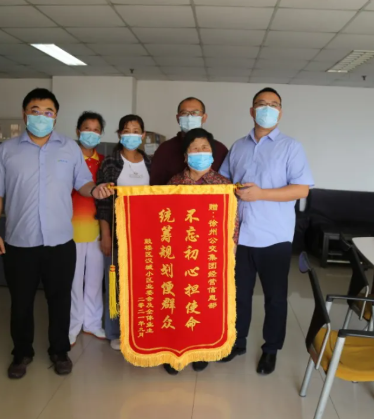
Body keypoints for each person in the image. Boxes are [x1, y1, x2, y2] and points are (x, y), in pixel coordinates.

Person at [0, 88, 113, 379]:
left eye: (48, 112)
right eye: (35, 111)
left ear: (56, 116)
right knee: (21, 302)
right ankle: (22, 353)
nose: (42, 116)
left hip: (60, 242)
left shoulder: (69, 149)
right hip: (19, 243)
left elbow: (82, 184)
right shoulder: (7, 150)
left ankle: (59, 351)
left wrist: (95, 190)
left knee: (60, 300)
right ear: (25, 114)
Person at [218, 87, 314, 376]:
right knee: (239, 295)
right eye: (261, 104)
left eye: (273, 105)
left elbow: (301, 189)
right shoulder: (238, 147)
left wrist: (261, 194)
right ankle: (238, 342)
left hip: (275, 237)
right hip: (240, 237)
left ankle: (271, 349)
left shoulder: (291, 147)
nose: (267, 109)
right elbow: (222, 182)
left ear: (280, 112)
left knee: (275, 298)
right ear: (252, 111)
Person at [163, 128, 240, 376]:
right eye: (194, 148)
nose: (200, 152)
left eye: (204, 148)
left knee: (204, 305)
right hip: (179, 257)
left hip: (211, 257)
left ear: (213, 154)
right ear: (186, 156)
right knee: (177, 303)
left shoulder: (223, 185)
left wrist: (231, 251)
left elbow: (232, 222)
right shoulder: (174, 183)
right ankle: (175, 351)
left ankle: (200, 350)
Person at [96, 114, 151, 352]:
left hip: (143, 235)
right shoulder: (110, 162)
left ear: (143, 135)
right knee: (115, 283)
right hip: (117, 232)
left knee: (140, 283)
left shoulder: (149, 162)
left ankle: (137, 328)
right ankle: (115, 331)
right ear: (119, 135)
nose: (131, 135)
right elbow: (103, 203)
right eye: (126, 131)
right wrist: (106, 235)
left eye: (136, 131)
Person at [69, 111, 106, 346]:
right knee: (72, 280)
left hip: (97, 228)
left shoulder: (104, 161)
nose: (91, 133)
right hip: (70, 228)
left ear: (101, 134)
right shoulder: (67, 157)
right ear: (77, 131)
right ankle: (72, 325)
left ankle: (92, 323)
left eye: (96, 129)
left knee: (94, 278)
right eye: (86, 128)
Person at [149, 97, 228, 186]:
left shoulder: (220, 149)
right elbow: (155, 186)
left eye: (195, 112)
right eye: (184, 113)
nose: (190, 117)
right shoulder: (164, 149)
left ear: (204, 117)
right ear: (178, 118)